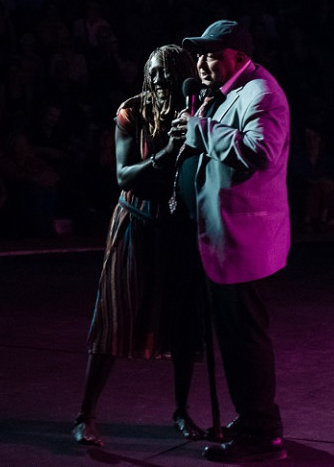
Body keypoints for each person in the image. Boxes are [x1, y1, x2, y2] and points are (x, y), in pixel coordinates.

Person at [73, 44, 205, 448]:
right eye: (156, 76)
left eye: (170, 75)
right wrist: (165, 155)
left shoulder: (195, 111)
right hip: (135, 222)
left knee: (184, 324)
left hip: (178, 229)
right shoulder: (131, 112)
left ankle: (182, 410)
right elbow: (125, 175)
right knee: (115, 313)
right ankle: (86, 413)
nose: (162, 82)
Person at [173, 20, 290, 463]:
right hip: (225, 241)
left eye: (212, 55)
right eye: (200, 55)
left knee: (246, 340)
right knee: (236, 339)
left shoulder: (262, 94)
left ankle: (263, 433)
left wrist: (200, 127)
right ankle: (256, 416)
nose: (202, 64)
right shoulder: (228, 92)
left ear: (238, 58)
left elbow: (261, 151)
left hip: (245, 242)